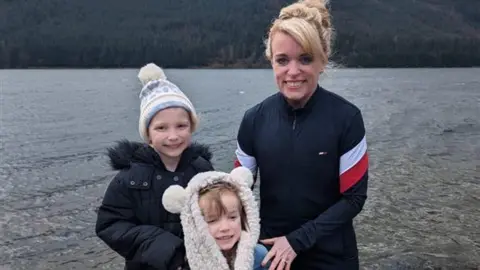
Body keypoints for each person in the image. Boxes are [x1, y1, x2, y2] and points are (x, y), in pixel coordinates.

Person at [234, 0, 369, 269]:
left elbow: (353, 199)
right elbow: (238, 190)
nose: (293, 72)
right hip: (270, 254)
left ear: (322, 61)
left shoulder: (347, 118)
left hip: (331, 256)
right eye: (283, 60)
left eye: (305, 59)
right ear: (271, 61)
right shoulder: (254, 119)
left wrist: (297, 240)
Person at [95, 63, 214, 270]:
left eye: (181, 126)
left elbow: (218, 212)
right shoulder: (130, 177)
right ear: (148, 133)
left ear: (191, 127)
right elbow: (109, 224)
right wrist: (162, 246)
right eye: (161, 128)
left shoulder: (202, 170)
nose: (173, 136)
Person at [162, 166, 271, 270]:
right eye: (212, 220)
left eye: (232, 217)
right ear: (194, 225)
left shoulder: (260, 256)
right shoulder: (184, 263)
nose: (224, 227)